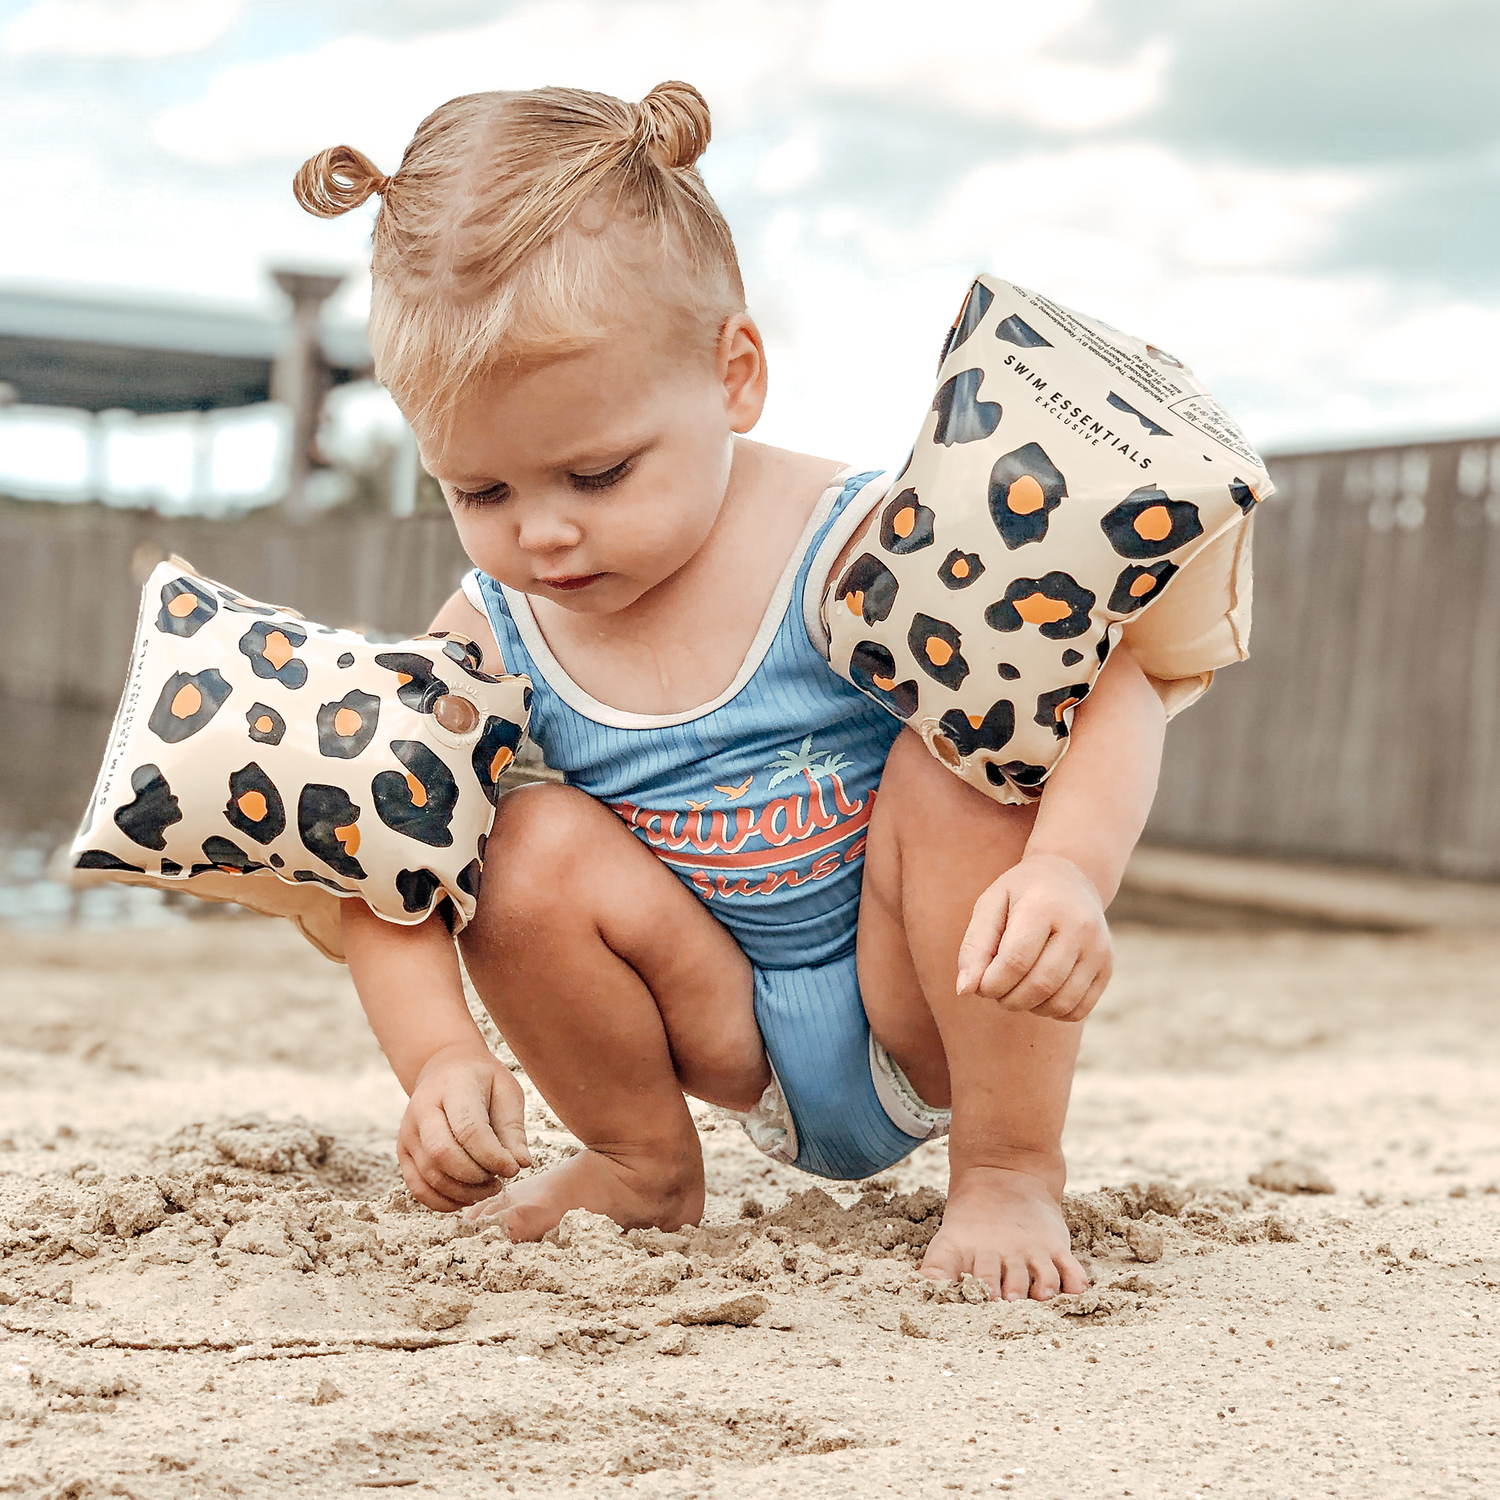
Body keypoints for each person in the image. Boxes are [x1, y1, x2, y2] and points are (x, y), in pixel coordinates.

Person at [295, 80, 1168, 1303]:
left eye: (597, 472)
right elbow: (380, 867)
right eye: (480, 493)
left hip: (922, 990)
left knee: (957, 752)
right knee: (515, 839)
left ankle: (1009, 1167)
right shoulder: (490, 632)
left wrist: (1069, 869)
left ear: (736, 374)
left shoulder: (860, 541)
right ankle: (641, 1160)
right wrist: (438, 1057)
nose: (542, 533)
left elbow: (1103, 681)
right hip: (724, 1031)